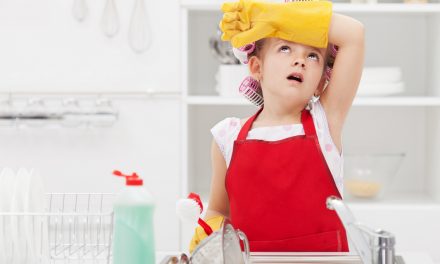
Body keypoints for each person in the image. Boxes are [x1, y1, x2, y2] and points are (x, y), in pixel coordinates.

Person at [189, 0, 365, 253]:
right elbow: (219, 210)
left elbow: (353, 35)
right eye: (285, 48)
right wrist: (207, 236)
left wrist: (276, 15)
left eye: (313, 55)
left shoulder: (325, 122)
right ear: (256, 67)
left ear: (320, 84)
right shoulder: (226, 137)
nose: (300, 61)